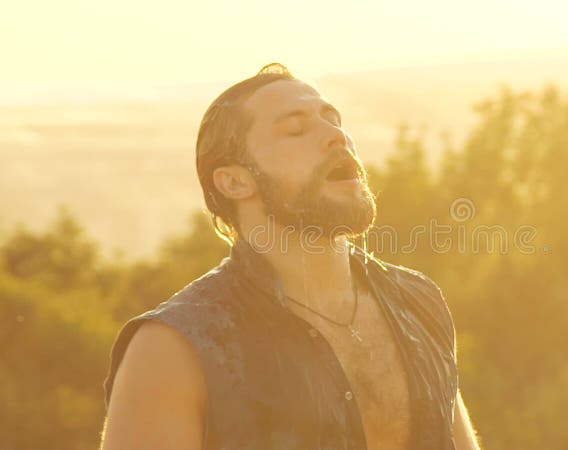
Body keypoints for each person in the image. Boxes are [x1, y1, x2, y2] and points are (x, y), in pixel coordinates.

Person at [99, 63, 481, 450]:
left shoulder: (417, 303)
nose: (336, 136)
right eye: (296, 130)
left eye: (333, 120)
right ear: (235, 181)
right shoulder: (173, 349)